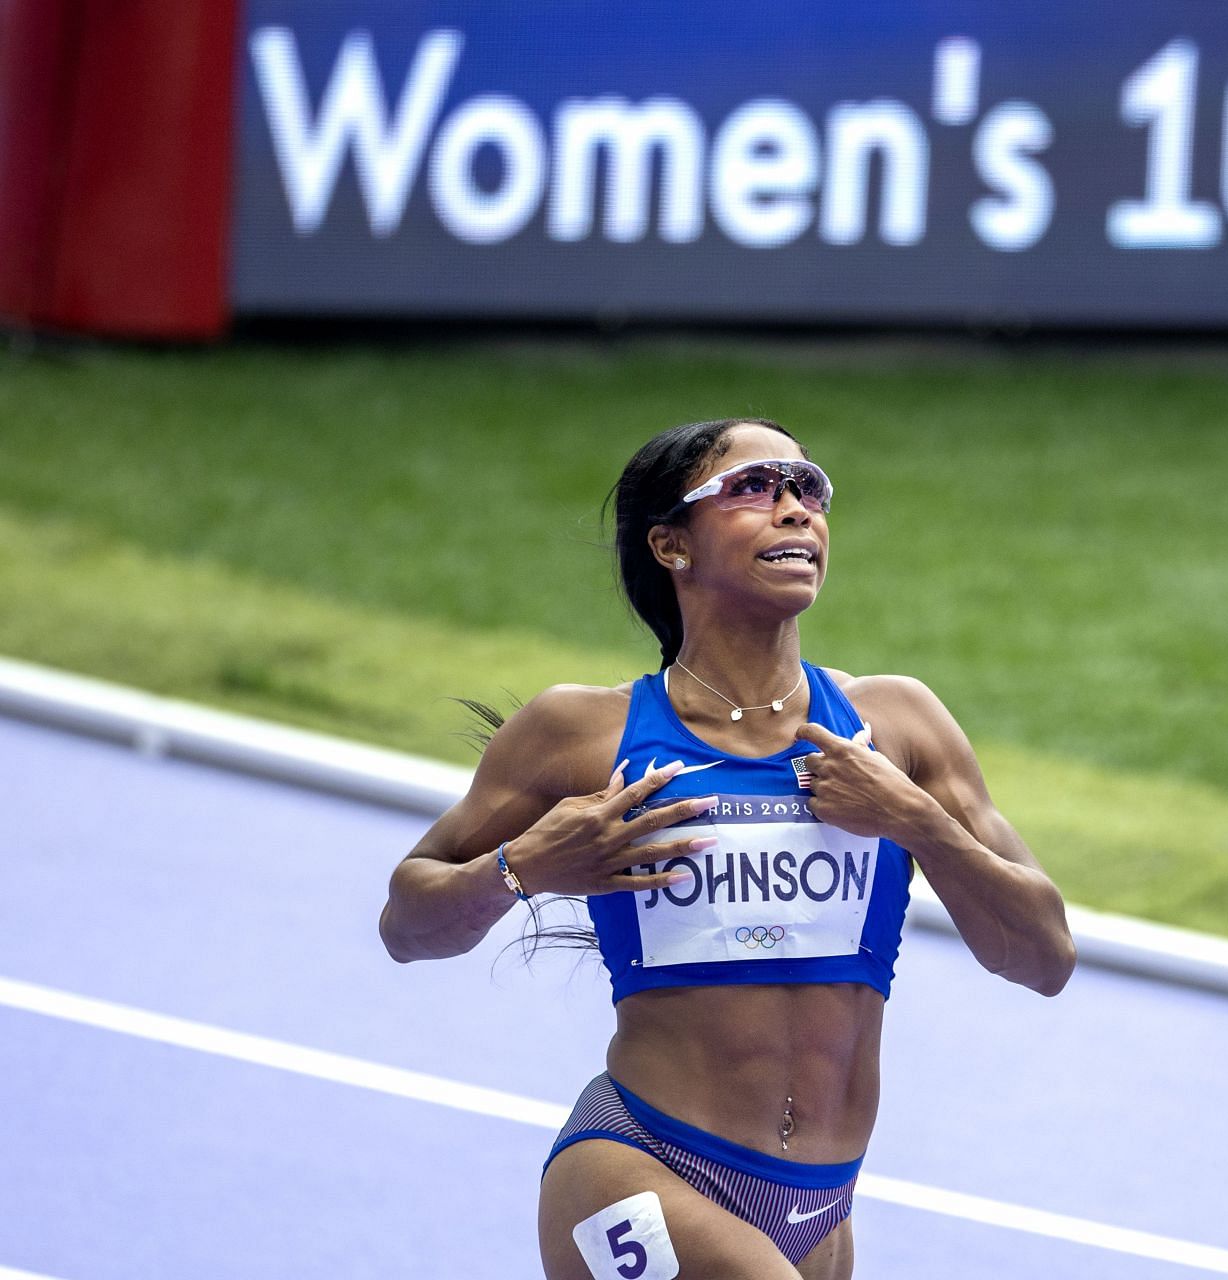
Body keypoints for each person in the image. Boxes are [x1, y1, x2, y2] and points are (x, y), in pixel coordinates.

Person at [378, 417, 1077, 1280]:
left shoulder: (896, 726)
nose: (796, 511)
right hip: (639, 1168)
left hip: (818, 1207)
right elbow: (406, 922)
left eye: (808, 488)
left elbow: (1045, 957)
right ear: (671, 544)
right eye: (754, 488)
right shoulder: (581, 733)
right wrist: (521, 869)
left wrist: (915, 819)